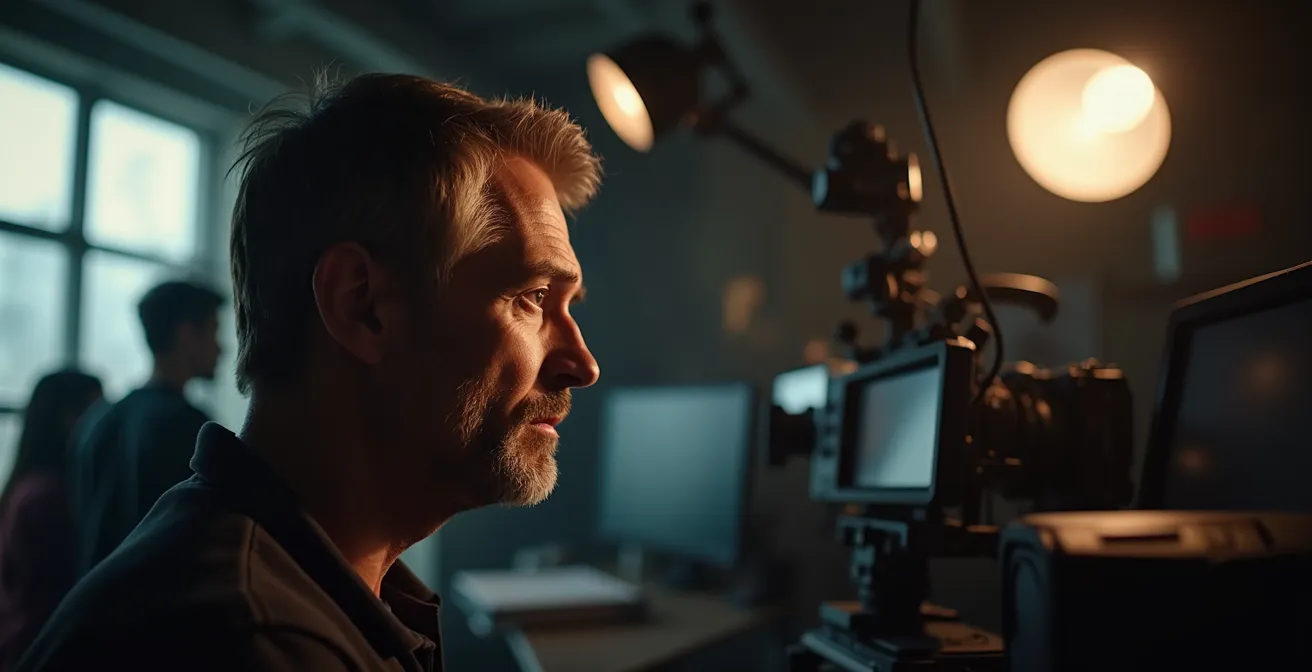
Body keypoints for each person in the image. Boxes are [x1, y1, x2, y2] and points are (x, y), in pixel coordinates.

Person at [18, 73, 602, 671]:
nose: (583, 365)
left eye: (568, 306)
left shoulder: (294, 586)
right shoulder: (252, 642)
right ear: (361, 306)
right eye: (532, 298)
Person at [68, 280, 223, 575]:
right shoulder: (190, 425)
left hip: (95, 593)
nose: (221, 348)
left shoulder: (97, 419)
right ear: (186, 334)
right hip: (159, 595)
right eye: (214, 331)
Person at [0, 370, 103, 669]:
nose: (104, 426)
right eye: (96, 414)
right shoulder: (47, 498)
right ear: (69, 419)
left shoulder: (28, 488)